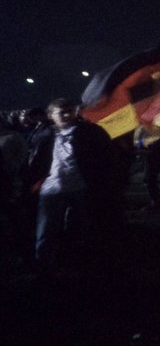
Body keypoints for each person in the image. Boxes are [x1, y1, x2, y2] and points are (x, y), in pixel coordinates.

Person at [27, 98, 118, 273]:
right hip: (51, 190)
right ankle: (44, 265)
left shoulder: (88, 132)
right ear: (51, 115)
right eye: (62, 112)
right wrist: (34, 183)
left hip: (81, 188)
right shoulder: (45, 135)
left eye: (69, 110)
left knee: (84, 227)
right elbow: (35, 163)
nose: (67, 115)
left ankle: (83, 263)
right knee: (46, 229)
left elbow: (105, 156)